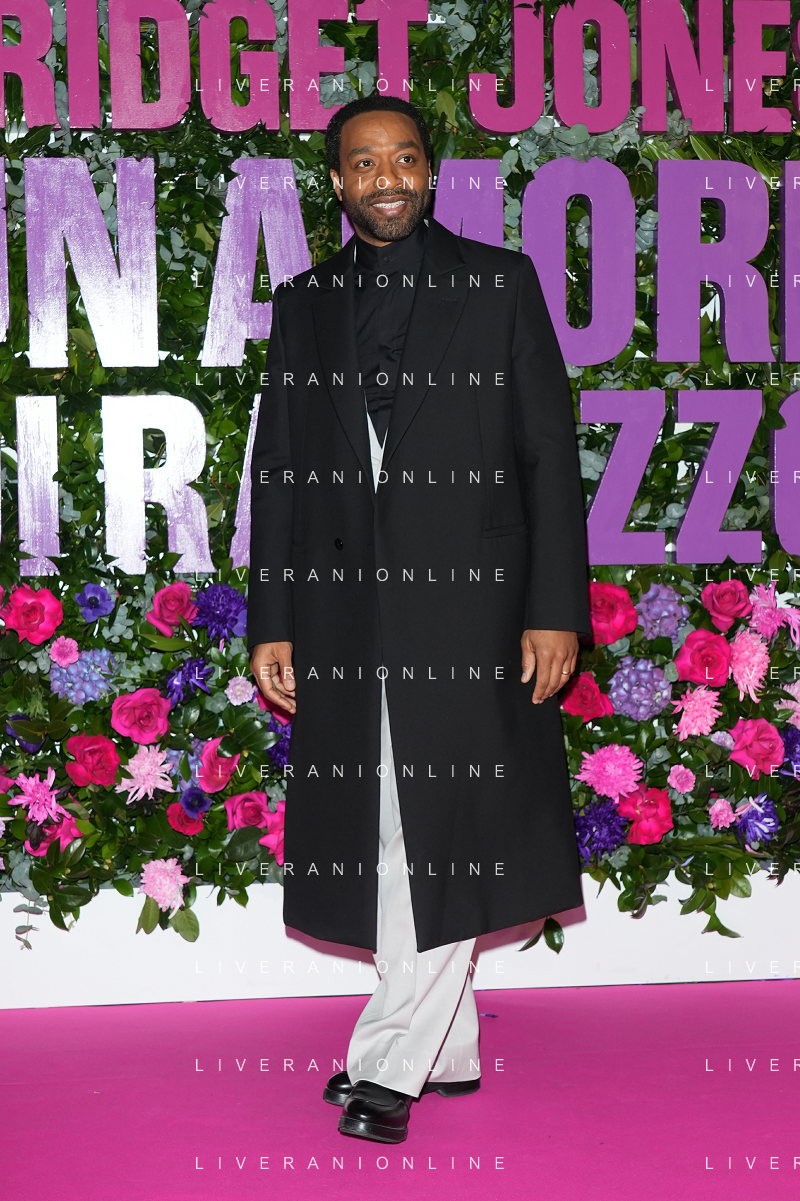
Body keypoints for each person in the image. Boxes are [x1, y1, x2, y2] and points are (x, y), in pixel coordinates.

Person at [248, 95, 590, 1145]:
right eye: (364, 162)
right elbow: (282, 472)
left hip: (476, 609)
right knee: (394, 825)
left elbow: (547, 455)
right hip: (347, 613)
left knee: (442, 826)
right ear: (338, 183)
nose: (386, 177)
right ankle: (449, 1047)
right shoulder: (304, 305)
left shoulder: (498, 283)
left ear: (429, 172)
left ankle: (389, 1059)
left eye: (404, 158)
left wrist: (554, 610)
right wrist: (274, 618)